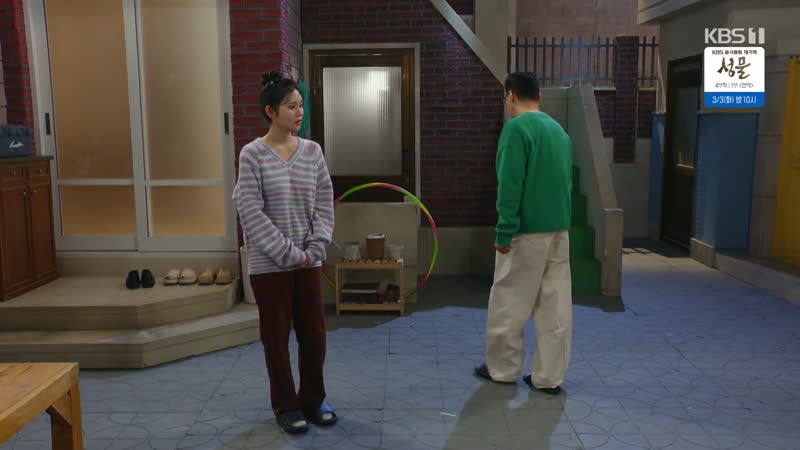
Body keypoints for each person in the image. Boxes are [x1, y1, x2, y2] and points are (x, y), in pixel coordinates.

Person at [233, 71, 336, 433]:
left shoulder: (312, 152)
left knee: (314, 334)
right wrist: (288, 253)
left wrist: (316, 246)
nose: (299, 112)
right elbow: (250, 211)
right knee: (276, 338)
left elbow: (324, 202)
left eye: (301, 106)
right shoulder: (252, 154)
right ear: (271, 112)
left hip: (308, 260)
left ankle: (313, 398)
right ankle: (286, 405)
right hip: (270, 266)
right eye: (291, 106)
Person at [474, 71, 573, 395]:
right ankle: (548, 378)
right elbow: (566, 183)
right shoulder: (559, 131)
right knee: (554, 307)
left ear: (510, 95)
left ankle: (502, 370)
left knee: (509, 302)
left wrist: (504, 231)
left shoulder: (516, 129)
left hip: (525, 233)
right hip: (559, 231)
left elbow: (510, 184)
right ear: (539, 96)